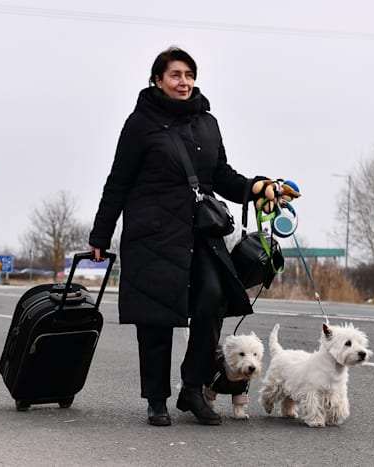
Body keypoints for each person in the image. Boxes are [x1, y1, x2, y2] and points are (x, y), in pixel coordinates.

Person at [88, 47, 298, 426]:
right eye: (175, 75)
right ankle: (156, 399)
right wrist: (101, 233)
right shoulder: (140, 124)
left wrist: (260, 187)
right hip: (152, 234)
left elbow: (221, 175)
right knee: (157, 316)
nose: (183, 82)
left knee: (213, 299)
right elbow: (117, 181)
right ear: (158, 80)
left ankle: (192, 388)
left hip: (200, 232)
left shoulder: (207, 122)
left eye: (189, 74)